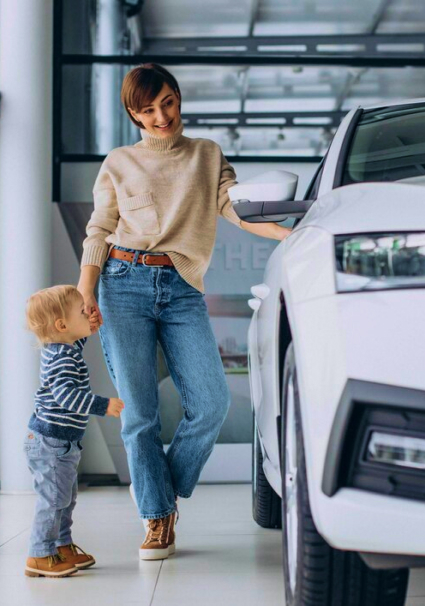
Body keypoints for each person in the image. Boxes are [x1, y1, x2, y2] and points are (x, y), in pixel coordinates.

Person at [77, 63, 291, 561]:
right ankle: (156, 518)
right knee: (141, 414)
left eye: (167, 102)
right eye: (147, 110)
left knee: (212, 402)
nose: (161, 116)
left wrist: (283, 232)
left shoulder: (207, 155)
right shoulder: (119, 162)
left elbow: (235, 209)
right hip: (121, 282)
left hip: (181, 287)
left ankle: (162, 491)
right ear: (133, 114)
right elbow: (98, 229)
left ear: (179, 98)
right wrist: (85, 291)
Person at [23, 285, 124, 578]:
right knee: (54, 500)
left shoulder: (61, 348)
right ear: (62, 325)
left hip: (59, 442)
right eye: (82, 312)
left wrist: (86, 330)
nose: (88, 315)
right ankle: (39, 554)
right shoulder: (63, 358)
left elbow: (74, 348)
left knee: (65, 498)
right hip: (50, 442)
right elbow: (67, 396)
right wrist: (102, 405)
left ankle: (62, 545)